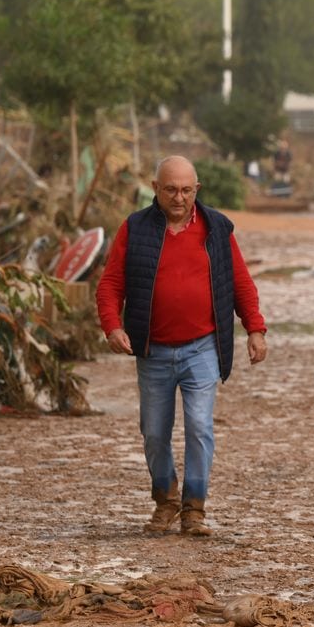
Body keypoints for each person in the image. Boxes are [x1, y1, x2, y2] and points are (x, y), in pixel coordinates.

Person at [96, 155, 268, 537]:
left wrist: (255, 328)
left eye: (186, 190)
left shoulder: (217, 228)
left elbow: (240, 282)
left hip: (202, 348)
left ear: (197, 190)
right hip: (152, 350)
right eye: (170, 190)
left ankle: (194, 508)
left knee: (200, 426)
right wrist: (112, 326)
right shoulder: (135, 229)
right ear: (155, 188)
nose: (179, 198)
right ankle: (165, 500)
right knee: (154, 432)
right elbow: (110, 284)